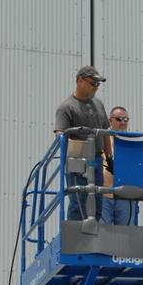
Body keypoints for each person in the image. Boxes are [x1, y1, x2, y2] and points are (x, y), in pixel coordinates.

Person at [53, 66, 110, 219]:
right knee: (79, 199)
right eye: (93, 83)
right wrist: (71, 144)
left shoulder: (98, 104)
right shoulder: (67, 107)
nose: (96, 88)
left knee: (97, 200)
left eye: (98, 84)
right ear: (80, 80)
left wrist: (109, 158)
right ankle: (75, 236)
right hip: (76, 160)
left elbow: (105, 131)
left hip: (97, 159)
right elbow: (60, 134)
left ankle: (94, 235)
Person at [101, 105, 143, 225]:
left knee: (125, 234)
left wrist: (134, 146)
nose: (123, 122)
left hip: (125, 195)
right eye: (119, 119)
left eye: (126, 120)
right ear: (110, 120)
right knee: (102, 234)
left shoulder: (134, 139)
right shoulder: (101, 137)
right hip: (103, 193)